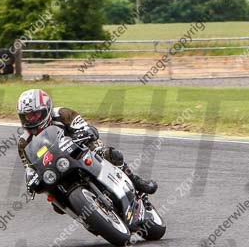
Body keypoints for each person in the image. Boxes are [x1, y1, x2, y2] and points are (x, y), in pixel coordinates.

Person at [16, 89, 157, 212]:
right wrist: (30, 181)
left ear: (46, 109)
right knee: (55, 202)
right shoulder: (24, 142)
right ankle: (87, 216)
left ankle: (136, 184)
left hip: (81, 149)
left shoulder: (62, 114)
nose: (32, 119)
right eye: (28, 117)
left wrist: (83, 134)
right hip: (55, 168)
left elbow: (86, 128)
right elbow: (29, 168)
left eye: (36, 115)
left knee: (110, 155)